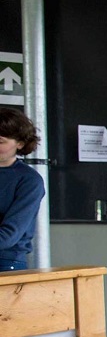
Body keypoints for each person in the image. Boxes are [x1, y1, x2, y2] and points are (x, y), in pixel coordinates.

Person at [0, 108, 46, 272]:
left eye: (0, 141)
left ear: (20, 143)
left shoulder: (29, 180)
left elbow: (10, 234)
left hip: (5, 262)